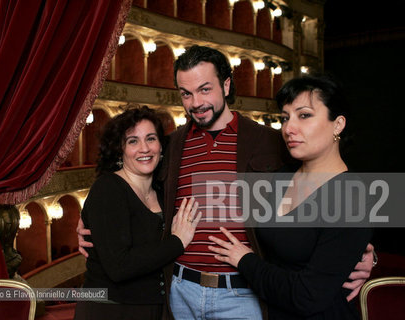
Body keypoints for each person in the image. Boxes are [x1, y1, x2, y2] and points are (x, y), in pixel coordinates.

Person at [77, 46, 375, 319]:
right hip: (179, 289)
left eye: (205, 89)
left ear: (227, 85)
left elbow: (324, 183)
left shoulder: (271, 142)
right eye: (186, 93)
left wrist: (362, 251)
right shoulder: (169, 146)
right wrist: (89, 221)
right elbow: (133, 195)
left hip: (245, 293)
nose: (196, 103)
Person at [208, 74, 373, 319]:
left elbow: (308, 296)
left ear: (338, 124)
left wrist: (245, 261)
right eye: (285, 118)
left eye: (304, 115)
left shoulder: (352, 197)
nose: (288, 128)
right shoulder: (281, 176)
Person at [73, 106, 201, 320]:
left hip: (153, 308)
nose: (144, 148)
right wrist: (177, 242)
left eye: (151, 139)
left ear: (161, 146)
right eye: (133, 141)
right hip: (110, 311)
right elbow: (119, 267)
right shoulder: (108, 189)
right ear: (120, 149)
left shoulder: (162, 192)